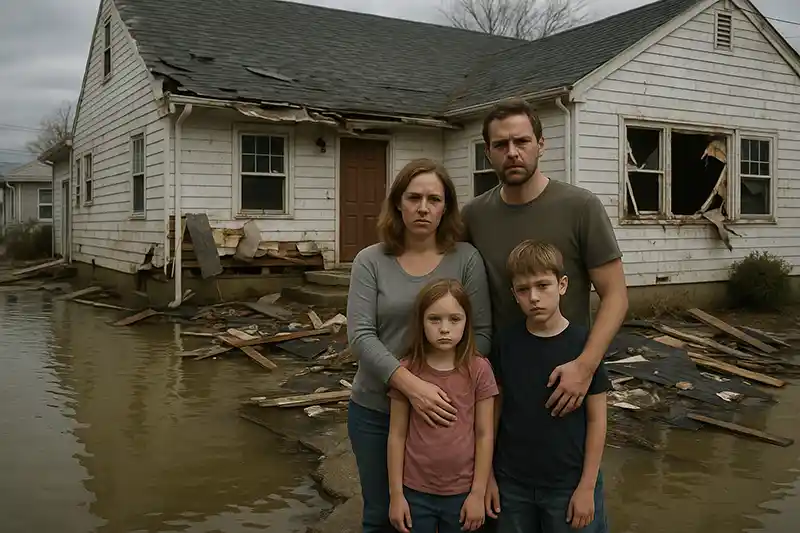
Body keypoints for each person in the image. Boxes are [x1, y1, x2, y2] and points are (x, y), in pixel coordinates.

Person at [346, 158, 493, 533]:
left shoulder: (466, 259)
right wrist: (412, 387)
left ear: (446, 207)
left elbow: (483, 336)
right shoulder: (371, 261)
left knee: (450, 516)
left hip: (446, 416)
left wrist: (444, 391)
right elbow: (360, 335)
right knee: (383, 516)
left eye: (434, 199)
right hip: (378, 410)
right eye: (414, 197)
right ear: (398, 202)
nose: (423, 208)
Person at [462, 98, 628, 419]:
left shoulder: (581, 207)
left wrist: (585, 367)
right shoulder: (473, 216)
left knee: (577, 466)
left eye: (522, 141)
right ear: (488, 153)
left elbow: (616, 296)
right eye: (501, 144)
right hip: (500, 383)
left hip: (567, 378)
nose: (512, 152)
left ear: (540, 145)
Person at [487, 240, 610, 533]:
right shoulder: (505, 343)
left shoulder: (584, 346)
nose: (534, 297)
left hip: (568, 485)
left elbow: (597, 419)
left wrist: (587, 487)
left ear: (562, 285)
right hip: (512, 485)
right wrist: (487, 477)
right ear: (513, 294)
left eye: (543, 286)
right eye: (523, 289)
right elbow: (494, 410)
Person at [387, 279, 498, 533]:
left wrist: (478, 493)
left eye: (454, 319)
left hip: (462, 493)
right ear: (421, 322)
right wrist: (396, 495)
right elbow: (396, 435)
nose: (445, 329)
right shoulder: (407, 371)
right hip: (415, 492)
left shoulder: (479, 370)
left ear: (467, 322)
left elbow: (484, 433)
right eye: (434, 319)